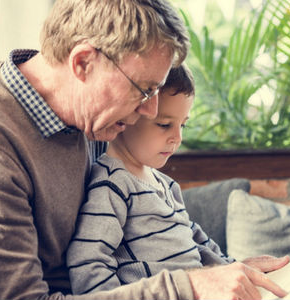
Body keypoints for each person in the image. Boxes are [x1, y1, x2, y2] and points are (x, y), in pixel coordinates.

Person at [0, 0, 289, 299]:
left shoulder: (92, 117)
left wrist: (221, 270)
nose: (149, 111)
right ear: (83, 62)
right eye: (143, 90)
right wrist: (188, 286)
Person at [67, 64, 235, 294]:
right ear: (127, 116)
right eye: (164, 125)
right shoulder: (113, 184)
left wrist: (234, 268)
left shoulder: (166, 184)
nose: (177, 137)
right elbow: (88, 261)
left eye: (183, 124)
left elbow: (195, 240)